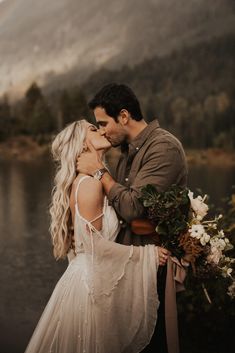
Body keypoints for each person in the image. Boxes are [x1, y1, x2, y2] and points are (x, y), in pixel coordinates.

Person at [24, 119, 169, 353]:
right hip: (89, 286)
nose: (101, 130)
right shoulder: (90, 184)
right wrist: (147, 255)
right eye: (93, 128)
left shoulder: (88, 181)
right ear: (81, 145)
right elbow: (95, 248)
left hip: (89, 278)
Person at [76, 83, 188, 353]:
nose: (102, 130)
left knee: (152, 342)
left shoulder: (164, 148)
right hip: (131, 269)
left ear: (124, 116)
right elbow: (121, 211)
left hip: (156, 271)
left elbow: (133, 208)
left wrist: (100, 173)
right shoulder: (127, 153)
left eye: (103, 123)